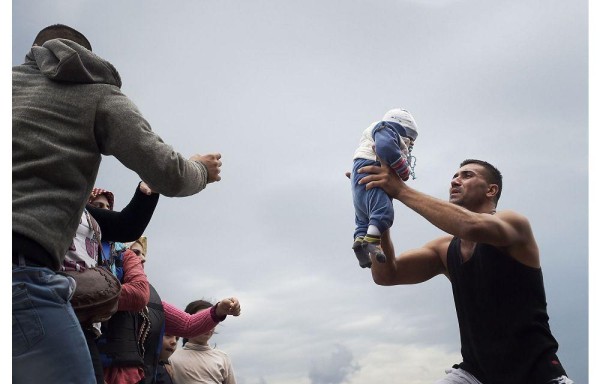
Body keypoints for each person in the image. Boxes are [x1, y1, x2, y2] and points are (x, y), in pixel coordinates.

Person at [13, 23, 222, 383]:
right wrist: (201, 170)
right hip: (22, 272)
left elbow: (125, 226)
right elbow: (168, 170)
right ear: (87, 57)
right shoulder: (96, 92)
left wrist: (145, 191)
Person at [356, 159, 572, 384]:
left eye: (467, 175)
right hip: (475, 374)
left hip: (537, 374)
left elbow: (471, 226)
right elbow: (386, 275)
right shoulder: (443, 249)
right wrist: (377, 211)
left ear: (491, 190)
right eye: (454, 176)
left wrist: (400, 189)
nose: (455, 180)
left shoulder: (514, 224)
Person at [99, 236, 241, 384]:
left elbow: (188, 324)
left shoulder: (153, 301)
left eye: (143, 254)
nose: (142, 259)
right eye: (135, 252)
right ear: (116, 254)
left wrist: (219, 309)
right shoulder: (97, 292)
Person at [351, 108, 418, 268]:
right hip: (371, 168)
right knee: (383, 212)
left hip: (358, 174)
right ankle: (372, 242)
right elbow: (387, 148)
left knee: (364, 217)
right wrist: (402, 169)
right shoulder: (386, 129)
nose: (409, 146)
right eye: (410, 139)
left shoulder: (375, 131)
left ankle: (360, 243)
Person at [169, 300, 238, 384]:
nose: (207, 326)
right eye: (202, 321)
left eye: (211, 321)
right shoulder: (171, 358)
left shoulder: (223, 358)